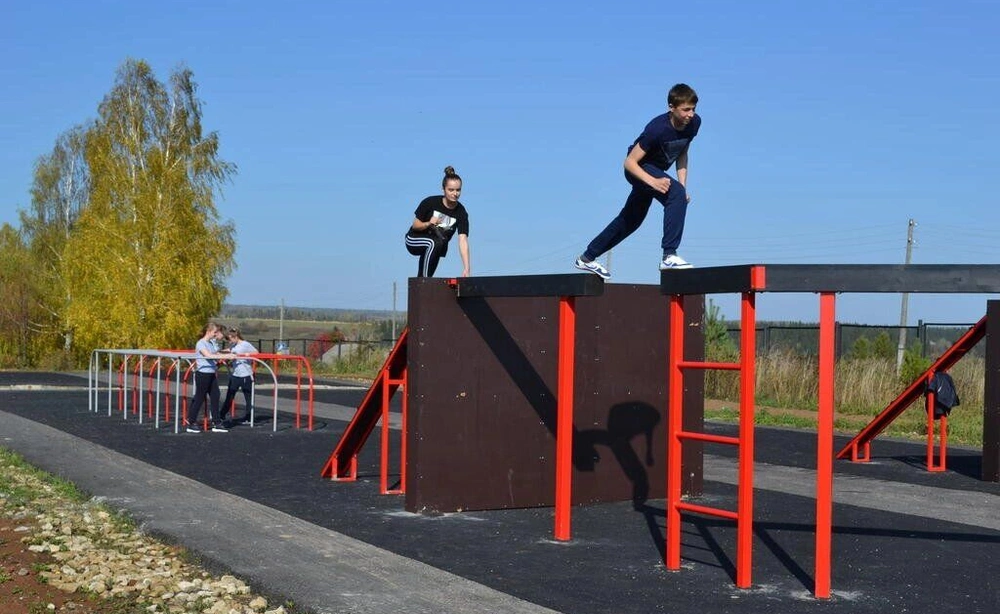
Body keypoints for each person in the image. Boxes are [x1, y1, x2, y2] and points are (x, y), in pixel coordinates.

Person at [575, 83, 701, 279]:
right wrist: (652, 181)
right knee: (673, 194)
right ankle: (669, 255)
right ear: (671, 107)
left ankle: (588, 257)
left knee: (632, 220)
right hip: (639, 169)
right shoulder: (657, 129)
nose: (690, 114)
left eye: (693, 109)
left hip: (655, 172)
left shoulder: (694, 124)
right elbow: (629, 162)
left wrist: (683, 186)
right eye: (685, 110)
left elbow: (683, 152)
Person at [404, 165, 471, 277]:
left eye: (458, 190)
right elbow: (415, 225)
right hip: (413, 239)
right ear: (443, 189)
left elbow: (463, 240)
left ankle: (422, 285)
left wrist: (467, 268)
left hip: (436, 247)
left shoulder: (461, 212)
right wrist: (429, 223)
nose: (455, 193)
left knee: (438, 245)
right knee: (434, 243)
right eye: (451, 190)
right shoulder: (430, 202)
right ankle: (425, 282)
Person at [185, 322, 229, 433]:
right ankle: (191, 422)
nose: (216, 335)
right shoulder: (201, 343)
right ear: (208, 331)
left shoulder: (209, 343)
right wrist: (227, 355)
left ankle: (216, 422)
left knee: (215, 396)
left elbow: (215, 354)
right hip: (203, 374)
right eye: (214, 332)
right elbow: (208, 355)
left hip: (211, 373)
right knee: (199, 398)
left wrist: (227, 355)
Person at [220, 326, 259, 426]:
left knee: (248, 397)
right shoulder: (233, 346)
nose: (229, 341)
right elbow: (229, 350)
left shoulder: (245, 344)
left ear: (235, 336)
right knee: (230, 396)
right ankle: (221, 415)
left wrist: (247, 355)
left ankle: (248, 417)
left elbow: (256, 353)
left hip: (246, 374)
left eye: (230, 339)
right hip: (236, 375)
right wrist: (217, 352)